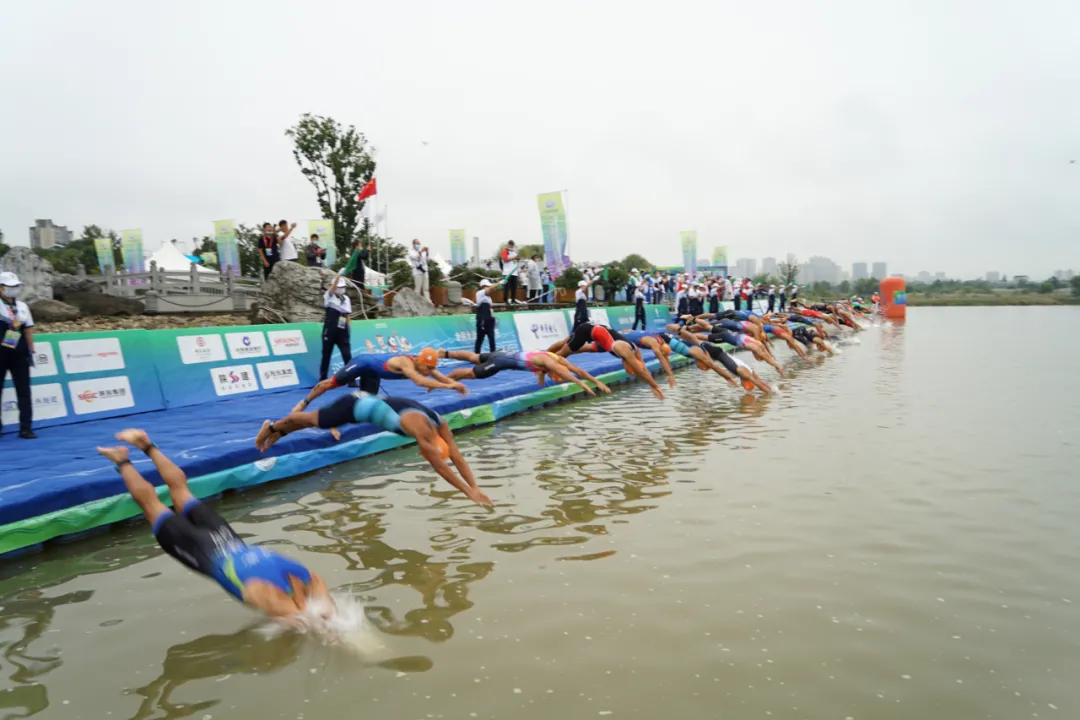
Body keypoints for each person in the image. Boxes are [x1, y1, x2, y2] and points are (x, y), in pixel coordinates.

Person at [99, 429, 332, 618]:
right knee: (152, 505)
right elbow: (303, 621)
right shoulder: (272, 597)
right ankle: (122, 460)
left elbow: (318, 612)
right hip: (201, 549)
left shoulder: (308, 578)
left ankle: (147, 445)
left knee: (181, 491)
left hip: (225, 537)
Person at [256, 393, 493, 507]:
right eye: (426, 453)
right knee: (315, 421)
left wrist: (475, 487)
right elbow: (441, 466)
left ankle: (280, 432)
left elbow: (457, 456)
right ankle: (273, 426)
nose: (424, 454)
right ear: (428, 447)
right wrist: (466, 492)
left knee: (314, 422)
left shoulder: (439, 423)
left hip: (372, 401)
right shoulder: (420, 433)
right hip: (354, 406)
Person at [293, 348, 466, 413]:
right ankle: (304, 402)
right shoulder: (407, 363)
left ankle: (339, 417)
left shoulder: (425, 364)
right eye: (428, 368)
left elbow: (440, 376)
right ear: (421, 363)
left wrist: (453, 384)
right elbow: (420, 382)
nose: (431, 371)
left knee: (366, 403)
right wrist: (447, 387)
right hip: (363, 363)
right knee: (330, 384)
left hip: (373, 373)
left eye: (431, 368)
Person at [549, 323, 665, 400]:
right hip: (586, 331)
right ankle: (544, 364)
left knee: (568, 345)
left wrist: (653, 386)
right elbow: (640, 371)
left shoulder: (635, 351)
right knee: (562, 354)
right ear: (628, 363)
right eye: (627, 368)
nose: (624, 367)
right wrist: (655, 386)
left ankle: (546, 354)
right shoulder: (624, 351)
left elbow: (643, 369)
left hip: (599, 330)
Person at [441, 349, 610, 395]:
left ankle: (445, 353)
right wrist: (585, 387)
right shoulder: (553, 364)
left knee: (473, 356)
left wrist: (597, 382)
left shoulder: (556, 358)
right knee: (471, 373)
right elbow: (570, 375)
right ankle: (444, 379)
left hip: (503, 352)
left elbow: (578, 370)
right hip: (500, 362)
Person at [0, 272, 36, 439]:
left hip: (19, 352)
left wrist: (31, 349)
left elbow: (28, 328)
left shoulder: (22, 306)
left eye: (16, 286)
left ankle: (26, 428)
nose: (14, 289)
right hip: (1, 352)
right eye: (11, 286)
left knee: (24, 391)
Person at [319, 273, 352, 381]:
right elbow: (332, 289)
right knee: (326, 354)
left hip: (342, 329)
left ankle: (350, 379)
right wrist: (338, 276)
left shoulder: (346, 299)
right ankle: (323, 378)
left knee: (347, 354)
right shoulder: (329, 296)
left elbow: (347, 314)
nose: (341, 289)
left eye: (343, 287)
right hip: (330, 329)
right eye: (339, 286)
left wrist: (349, 328)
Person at [468, 278, 496, 353]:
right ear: (483, 286)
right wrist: (499, 283)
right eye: (487, 286)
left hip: (489, 318)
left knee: (492, 338)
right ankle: (476, 355)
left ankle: (493, 355)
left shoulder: (489, 297)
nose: (489, 289)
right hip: (482, 318)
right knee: (480, 338)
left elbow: (492, 290)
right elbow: (489, 289)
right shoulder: (480, 293)